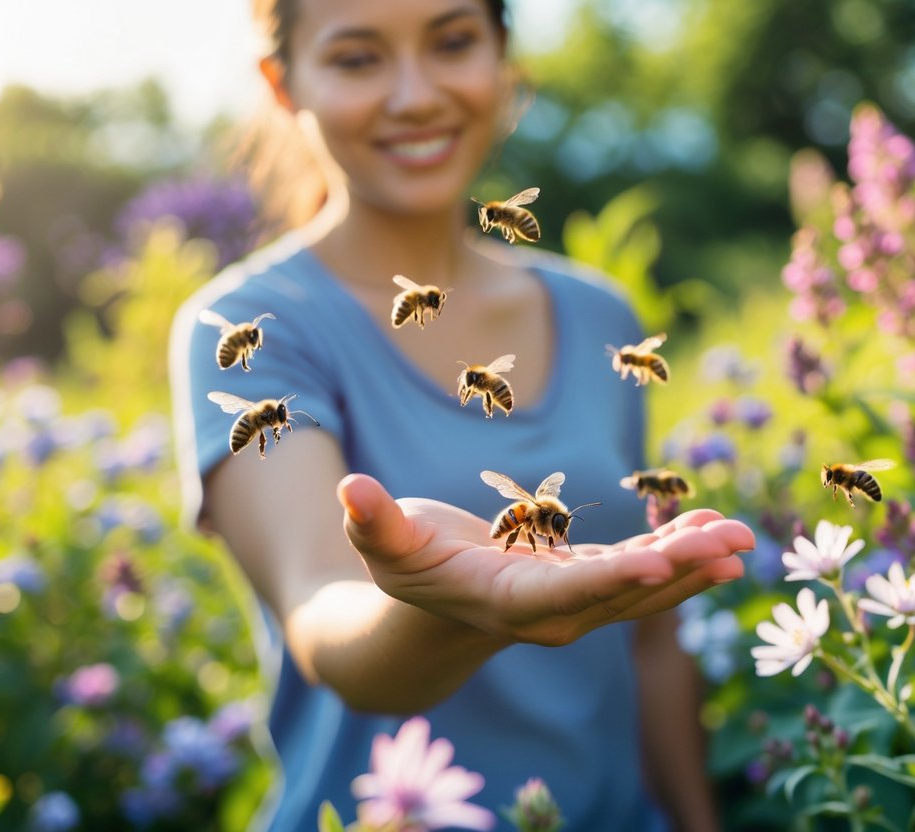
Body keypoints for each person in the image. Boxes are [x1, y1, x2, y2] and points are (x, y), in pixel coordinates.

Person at [169, 1, 754, 829]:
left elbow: (651, 643)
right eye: (358, 58)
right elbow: (321, 609)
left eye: (451, 42)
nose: (415, 95)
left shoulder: (602, 319)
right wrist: (451, 604)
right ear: (282, 83)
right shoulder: (247, 327)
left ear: (502, 58)